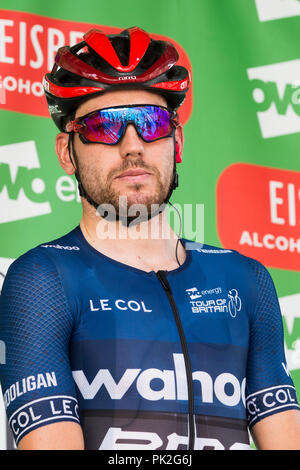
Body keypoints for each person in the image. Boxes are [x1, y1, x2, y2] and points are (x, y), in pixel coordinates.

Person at [0, 27, 300, 451]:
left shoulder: (245, 279)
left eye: (150, 122)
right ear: (67, 153)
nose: (132, 146)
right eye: (103, 127)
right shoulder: (43, 280)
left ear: (176, 141)